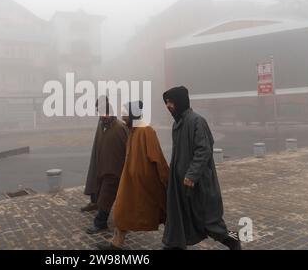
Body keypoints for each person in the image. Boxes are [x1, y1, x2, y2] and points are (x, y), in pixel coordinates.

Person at [162, 86, 242, 250]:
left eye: (170, 102)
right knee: (179, 218)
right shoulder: (177, 124)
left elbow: (204, 150)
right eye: (166, 102)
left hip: (199, 184)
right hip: (181, 184)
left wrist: (191, 175)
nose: (168, 106)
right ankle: (172, 246)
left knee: (208, 221)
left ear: (180, 101)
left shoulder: (197, 121)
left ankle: (232, 239)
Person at [97, 101, 169, 250]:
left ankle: (174, 240)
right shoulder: (132, 130)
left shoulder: (146, 131)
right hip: (130, 182)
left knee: (164, 211)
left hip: (145, 184)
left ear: (133, 114)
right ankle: (116, 243)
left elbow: (157, 158)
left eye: (125, 113)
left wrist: (167, 180)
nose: (122, 116)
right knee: (122, 210)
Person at [82, 96, 129, 234]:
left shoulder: (120, 127)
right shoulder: (103, 127)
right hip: (104, 169)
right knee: (112, 197)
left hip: (114, 171)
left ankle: (100, 222)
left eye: (105, 114)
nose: (103, 117)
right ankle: (124, 219)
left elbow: (128, 149)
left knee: (105, 198)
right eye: (101, 114)